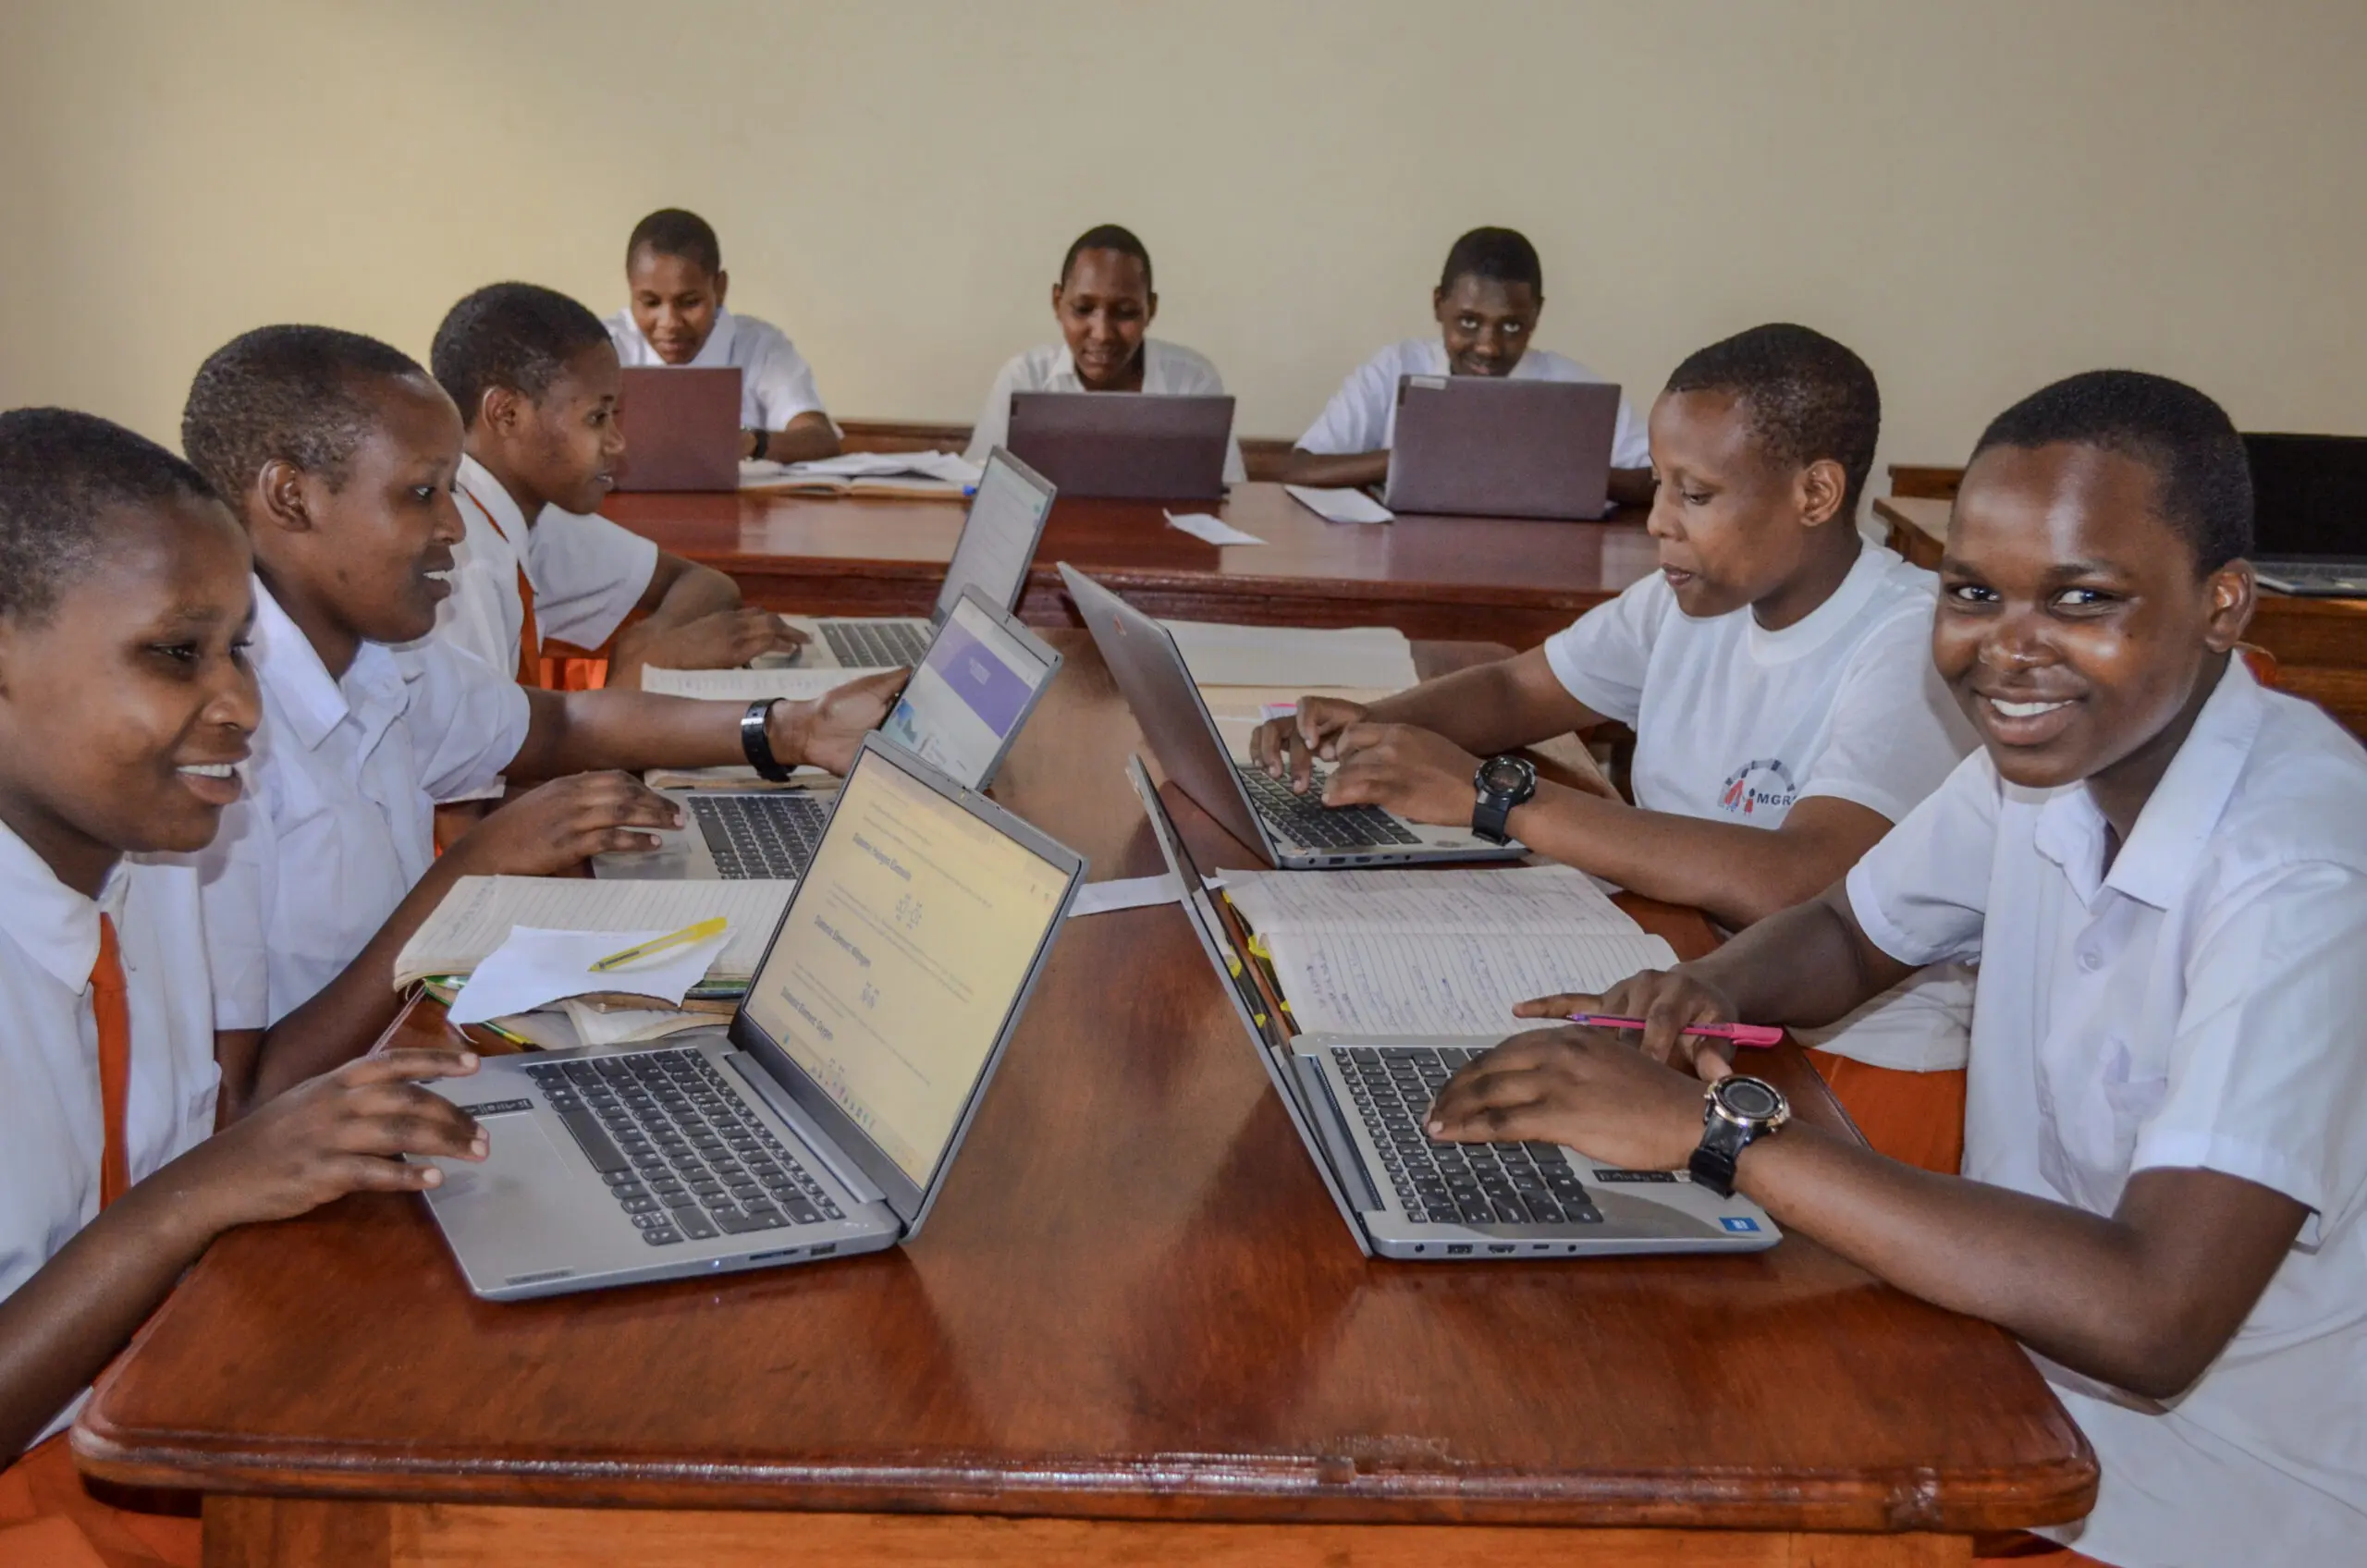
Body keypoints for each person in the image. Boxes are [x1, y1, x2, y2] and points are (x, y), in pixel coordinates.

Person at [1430, 371, 2367, 1567]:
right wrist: (1706, 993)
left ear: (2222, 605)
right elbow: (1852, 930)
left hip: (2189, 1502)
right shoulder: (2057, 757)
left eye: (2083, 597)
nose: (2009, 650)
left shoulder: (2301, 876)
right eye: (1976, 591)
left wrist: (1714, 1131)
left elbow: (2151, 1316)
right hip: (1983, 1355)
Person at [1252, 325, 1977, 1171]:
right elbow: (1518, 688)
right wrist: (1371, 728)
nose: (1660, 520)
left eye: (1695, 495)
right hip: (1678, 986)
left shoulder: (1908, 644)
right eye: (1662, 484)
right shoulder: (1694, 597)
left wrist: (1501, 800)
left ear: (1815, 493)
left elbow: (1806, 883)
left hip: (1851, 1073)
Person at [178, 325, 902, 1109]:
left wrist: (792, 727)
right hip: (321, 1133)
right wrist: (473, 871)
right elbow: (244, 1103)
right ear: (292, 497)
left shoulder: (383, 657)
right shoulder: (217, 750)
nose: (455, 524)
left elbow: (562, 724)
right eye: (423, 493)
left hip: (406, 1063)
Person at [0, 408, 487, 1566]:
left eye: (241, 650)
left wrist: (306, 1141)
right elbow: (184, 1189)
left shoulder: (159, 856)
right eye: (177, 654)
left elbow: (190, 1156)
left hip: (160, 1403)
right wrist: (209, 1188)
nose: (243, 710)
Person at [434, 280, 802, 692]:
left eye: (614, 414)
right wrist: (650, 663)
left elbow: (706, 583)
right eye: (596, 417)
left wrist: (650, 636)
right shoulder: (464, 565)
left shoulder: (529, 513)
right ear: (506, 414)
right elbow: (502, 754)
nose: (617, 442)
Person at [1281, 227, 1653, 507]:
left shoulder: (1573, 388)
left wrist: (1545, 474)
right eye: (1468, 323)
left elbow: (1656, 482)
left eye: (1510, 326)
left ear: (1536, 315)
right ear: (1439, 305)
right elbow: (1301, 469)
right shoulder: (1396, 367)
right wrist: (1418, 459)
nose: (1488, 347)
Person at [963, 224, 1246, 483]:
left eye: (1125, 313)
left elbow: (1230, 494)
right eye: (1083, 309)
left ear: (1151, 309)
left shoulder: (1191, 382)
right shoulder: (1024, 377)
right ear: (1057, 302)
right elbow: (975, 482)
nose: (1101, 333)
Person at [606, 207, 840, 465]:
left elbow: (821, 438)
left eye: (689, 302)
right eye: (650, 303)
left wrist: (751, 442)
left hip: (743, 505)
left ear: (719, 288)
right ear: (631, 289)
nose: (670, 323)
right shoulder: (604, 346)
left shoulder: (760, 346)